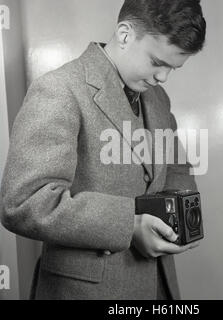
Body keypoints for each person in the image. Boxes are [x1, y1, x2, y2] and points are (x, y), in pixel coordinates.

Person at [0, 0, 206, 300]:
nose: (163, 78)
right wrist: (129, 225)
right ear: (124, 34)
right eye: (158, 63)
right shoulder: (59, 89)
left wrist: (182, 214)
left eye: (173, 68)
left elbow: (175, 166)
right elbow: (23, 202)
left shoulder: (158, 98)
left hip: (160, 286)